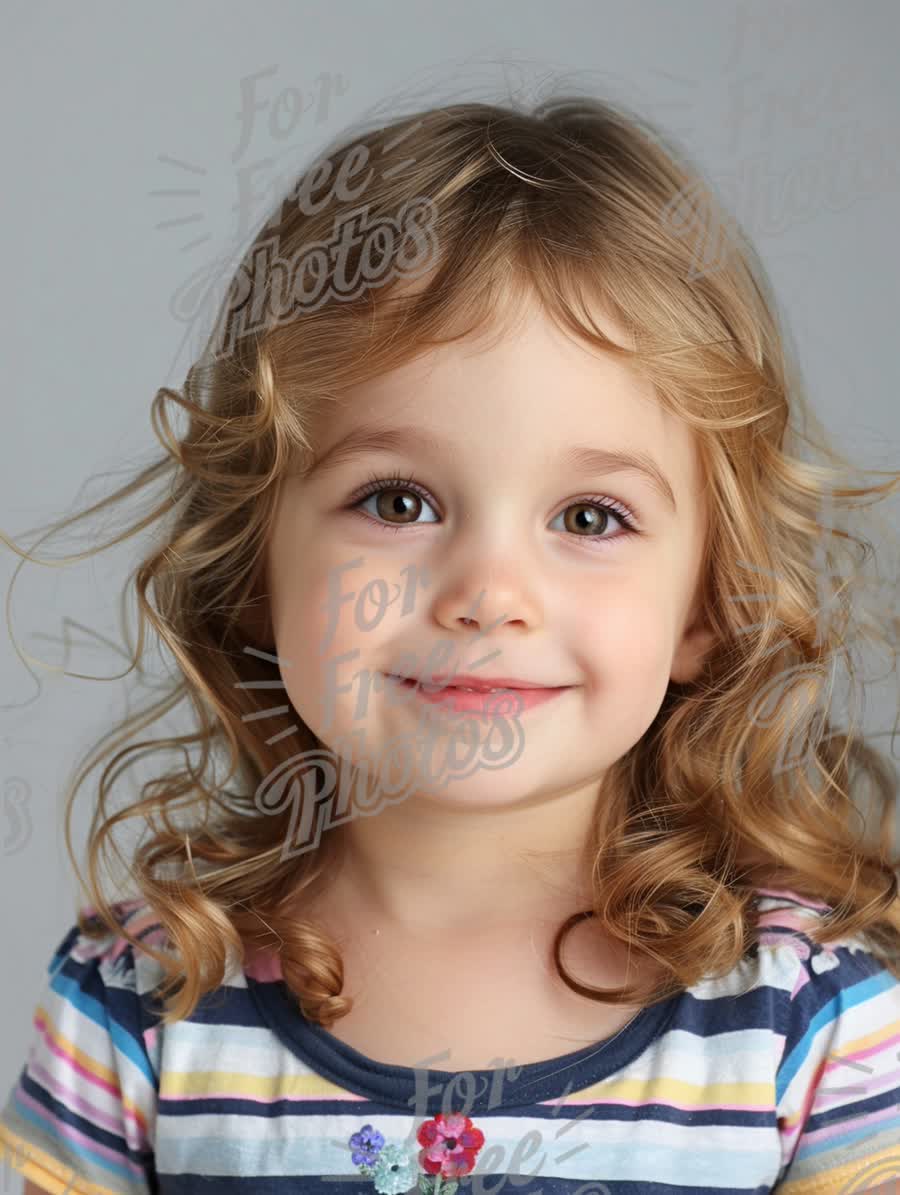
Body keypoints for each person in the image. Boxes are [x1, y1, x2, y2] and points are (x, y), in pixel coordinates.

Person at [1, 92, 899, 1195]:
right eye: (397, 500)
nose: (487, 595)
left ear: (704, 608)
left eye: (588, 518)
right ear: (253, 565)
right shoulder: (144, 997)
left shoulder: (807, 1022)